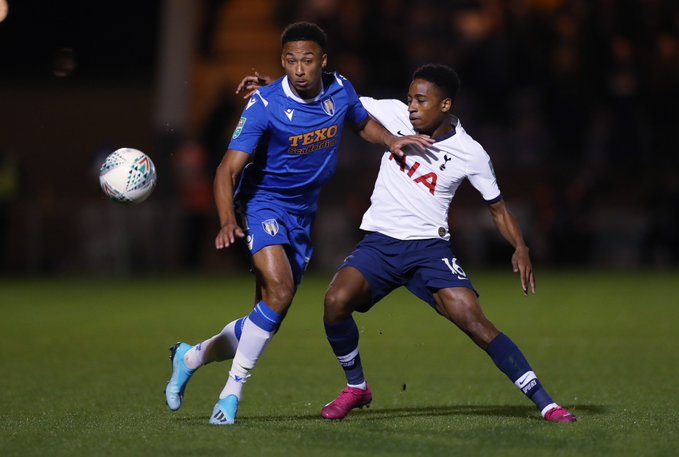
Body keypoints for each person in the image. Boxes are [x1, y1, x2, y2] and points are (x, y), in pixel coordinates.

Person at [164, 21, 433, 425]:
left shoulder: (340, 89)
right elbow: (225, 171)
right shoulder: (264, 104)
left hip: (303, 216)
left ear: (323, 61)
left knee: (266, 315)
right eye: (290, 61)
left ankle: (191, 357)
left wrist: (391, 140)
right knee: (281, 290)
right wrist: (224, 220)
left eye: (307, 60)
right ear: (282, 61)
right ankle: (230, 395)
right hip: (262, 206)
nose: (299, 69)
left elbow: (361, 121)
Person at [319, 64, 577, 423]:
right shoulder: (394, 115)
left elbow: (498, 209)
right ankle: (357, 387)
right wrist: (275, 90)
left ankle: (547, 404)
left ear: (445, 105)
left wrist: (521, 246)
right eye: (410, 98)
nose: (411, 107)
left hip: (429, 250)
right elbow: (340, 99)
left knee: (476, 323)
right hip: (380, 243)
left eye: (420, 100)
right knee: (335, 301)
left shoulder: (470, 152)